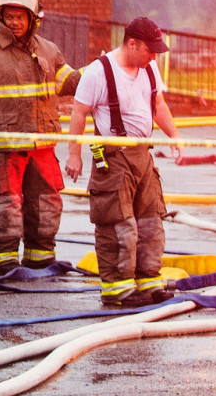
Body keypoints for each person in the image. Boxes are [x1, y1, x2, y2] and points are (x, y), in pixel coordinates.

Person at [0, 0, 80, 275]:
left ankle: (41, 258)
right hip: (4, 147)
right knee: (7, 206)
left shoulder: (49, 51)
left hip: (41, 145)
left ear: (33, 19)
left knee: (46, 203)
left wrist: (100, 70)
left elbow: (71, 83)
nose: (13, 22)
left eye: (19, 17)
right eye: (8, 16)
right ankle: (5, 262)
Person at [64, 17, 181, 308]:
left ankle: (148, 281)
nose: (154, 56)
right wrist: (74, 155)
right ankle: (117, 288)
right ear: (131, 44)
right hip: (114, 158)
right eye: (149, 50)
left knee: (150, 221)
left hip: (143, 154)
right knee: (118, 223)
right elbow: (79, 113)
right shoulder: (98, 72)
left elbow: (159, 106)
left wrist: (174, 137)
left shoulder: (149, 68)